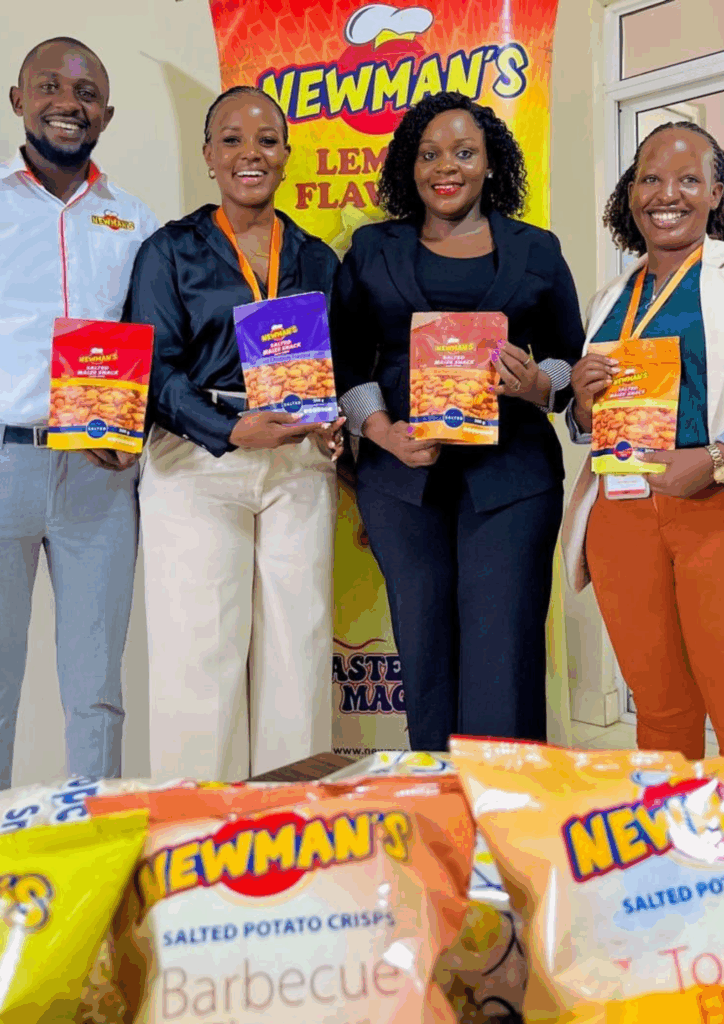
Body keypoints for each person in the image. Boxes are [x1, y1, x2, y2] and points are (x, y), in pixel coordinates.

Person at [330, 91, 584, 751]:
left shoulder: (536, 250)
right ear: (409, 167)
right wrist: (382, 432)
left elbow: (569, 359)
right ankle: (440, 807)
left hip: (513, 483)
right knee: (424, 650)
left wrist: (538, 383)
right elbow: (347, 358)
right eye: (430, 154)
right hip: (401, 481)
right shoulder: (372, 248)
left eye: (464, 152)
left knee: (505, 651)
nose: (447, 167)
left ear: (491, 162)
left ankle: (504, 823)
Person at [124, 86, 343, 782]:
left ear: (285, 154)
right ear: (209, 155)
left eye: (267, 140)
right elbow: (155, 371)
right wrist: (229, 427)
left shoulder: (315, 258)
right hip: (196, 462)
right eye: (232, 139)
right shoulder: (170, 251)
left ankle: (290, 827)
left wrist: (332, 426)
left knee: (299, 651)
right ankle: (198, 840)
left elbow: (337, 364)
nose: (251, 153)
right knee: (201, 655)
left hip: (297, 462)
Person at [0, 37, 158, 789]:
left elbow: (161, 341)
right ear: (18, 100)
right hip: (4, 465)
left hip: (100, 478)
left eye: (87, 92)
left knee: (96, 691)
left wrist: (141, 421)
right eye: (52, 87)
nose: (71, 103)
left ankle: (95, 849)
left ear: (107, 114)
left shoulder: (136, 222)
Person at [563, 122, 724, 761]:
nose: (668, 194)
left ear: (716, 192)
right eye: (651, 178)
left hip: (711, 512)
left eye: (689, 179)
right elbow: (590, 424)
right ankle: (674, 849)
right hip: (621, 515)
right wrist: (579, 398)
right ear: (631, 194)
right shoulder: (610, 298)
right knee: (658, 707)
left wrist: (713, 460)